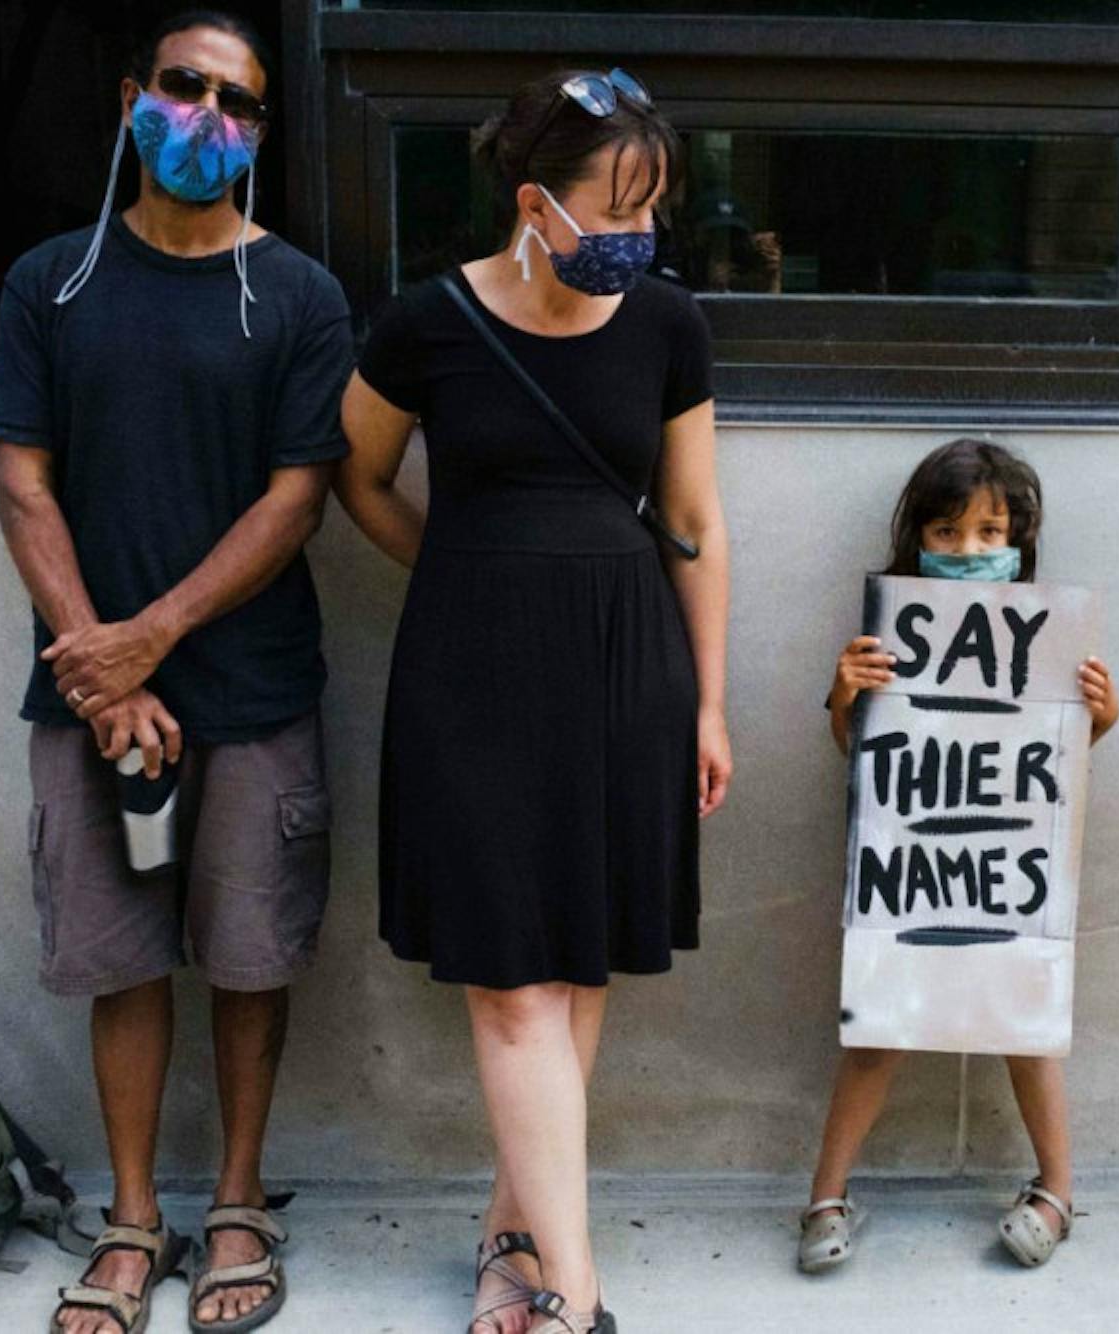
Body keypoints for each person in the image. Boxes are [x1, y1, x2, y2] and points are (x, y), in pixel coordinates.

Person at [0, 10, 352, 1332]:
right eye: (184, 88)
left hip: (250, 694)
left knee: (249, 956)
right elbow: (24, 487)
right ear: (133, 97)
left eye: (237, 103)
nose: (207, 119)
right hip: (92, 706)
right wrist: (102, 666)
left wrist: (156, 636)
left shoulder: (298, 293)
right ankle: (134, 1218)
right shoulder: (52, 283)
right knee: (123, 959)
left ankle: (237, 1200)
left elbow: (298, 498)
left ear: (259, 133)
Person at [334, 68, 730, 1334]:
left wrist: (710, 704)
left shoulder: (667, 324)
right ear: (532, 204)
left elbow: (693, 521)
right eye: (617, 208)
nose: (639, 237)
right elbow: (360, 478)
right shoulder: (425, 325)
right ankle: (578, 1293)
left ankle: (514, 1241)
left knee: (574, 964)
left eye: (654, 209)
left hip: (626, 664)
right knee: (510, 984)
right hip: (473, 669)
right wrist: (464, 568)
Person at [799, 438, 1119, 1274]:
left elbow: (1066, 750)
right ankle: (825, 1194)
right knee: (877, 1029)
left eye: (988, 533)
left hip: (1008, 881)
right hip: (912, 880)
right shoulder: (887, 632)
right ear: (917, 541)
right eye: (946, 534)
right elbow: (855, 749)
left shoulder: (1050, 637)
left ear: (1020, 541)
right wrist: (844, 691)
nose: (969, 552)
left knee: (1027, 1026)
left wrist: (1103, 710)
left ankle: (1057, 1190)